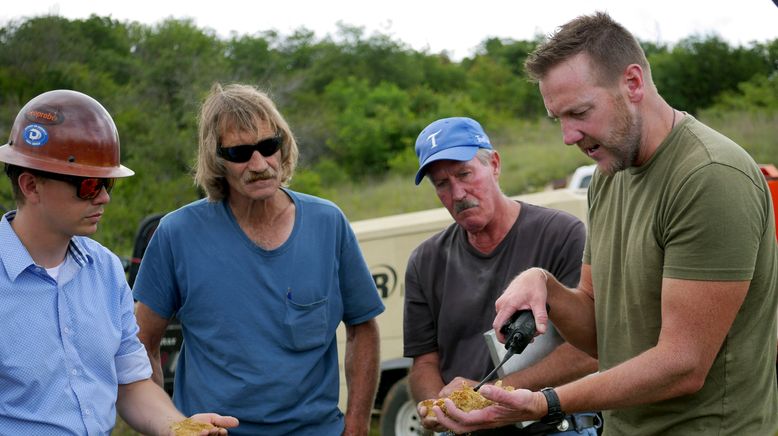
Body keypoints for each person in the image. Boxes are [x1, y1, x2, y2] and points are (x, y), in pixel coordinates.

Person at [431, 12, 778, 436]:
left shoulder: (710, 176)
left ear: (632, 83)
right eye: (558, 118)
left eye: (579, 112)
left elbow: (684, 365)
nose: (568, 136)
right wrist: (544, 285)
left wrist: (545, 402)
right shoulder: (608, 175)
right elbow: (601, 336)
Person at [132, 83, 385, 435]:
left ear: (283, 146)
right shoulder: (177, 234)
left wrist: (357, 425)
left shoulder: (328, 223)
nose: (259, 163)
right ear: (216, 159)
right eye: (239, 152)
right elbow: (141, 343)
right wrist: (170, 426)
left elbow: (363, 329)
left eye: (268, 146)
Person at [0, 89, 238, 435]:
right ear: (31, 186)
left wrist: (178, 426)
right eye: (89, 184)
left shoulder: (106, 271)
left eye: (107, 182)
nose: (105, 197)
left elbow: (130, 384)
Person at [406, 116, 600, 435]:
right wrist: (436, 407)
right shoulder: (424, 261)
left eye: (464, 174)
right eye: (441, 183)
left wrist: (490, 393)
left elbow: (592, 349)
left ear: (494, 164)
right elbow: (424, 363)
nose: (457, 193)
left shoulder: (561, 235)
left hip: (553, 426)